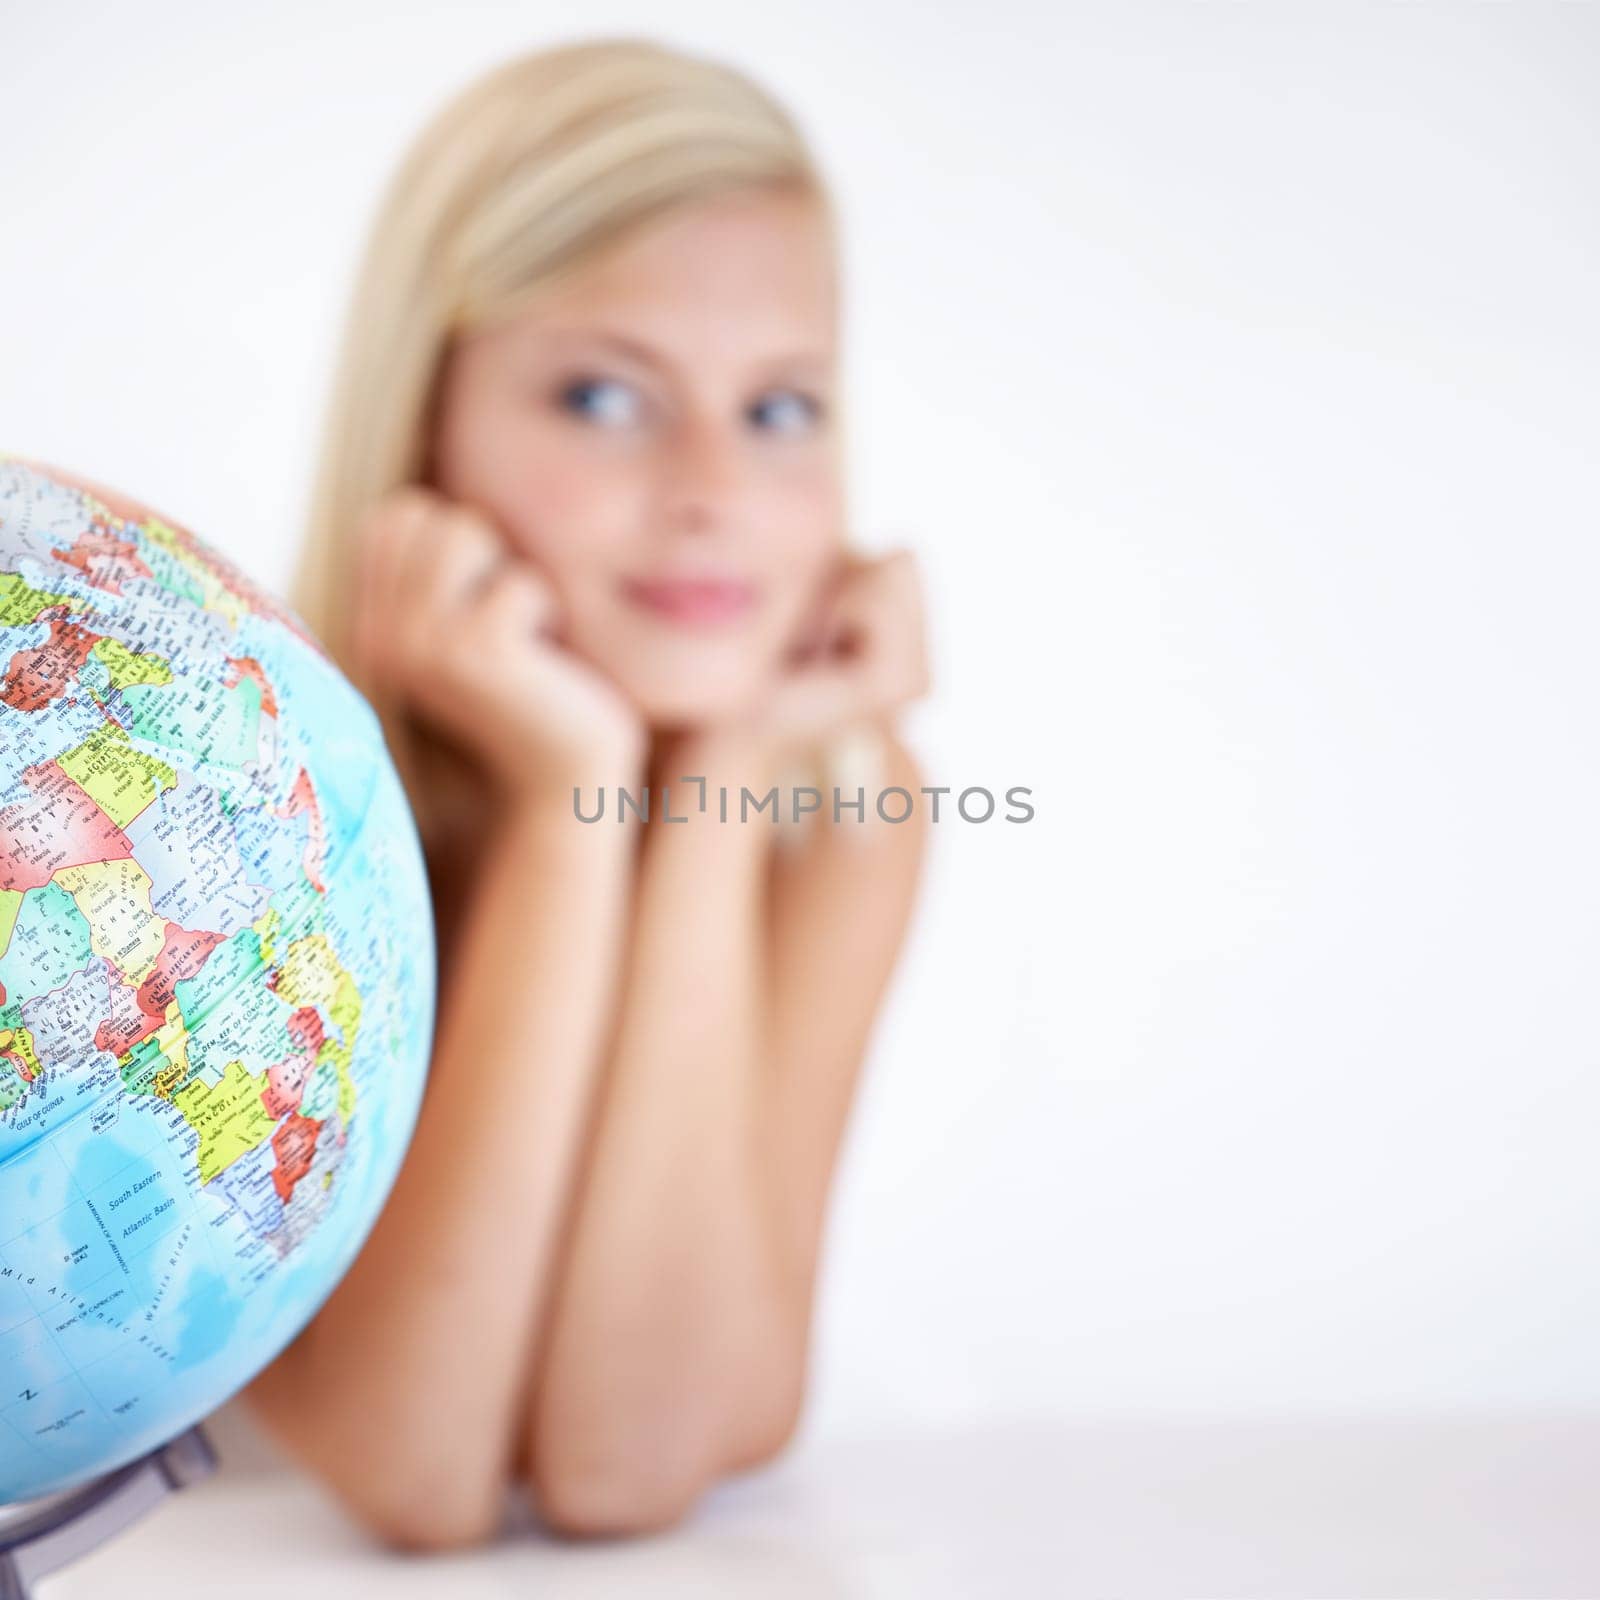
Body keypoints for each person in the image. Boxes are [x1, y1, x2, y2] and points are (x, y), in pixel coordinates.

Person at [242, 36, 932, 1550]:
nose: (712, 491)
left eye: (778, 410)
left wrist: (717, 784)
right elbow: (412, 1470)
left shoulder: (849, 822)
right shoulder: (264, 807)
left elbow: (639, 1457)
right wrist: (568, 807)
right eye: (609, 401)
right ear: (427, 419)